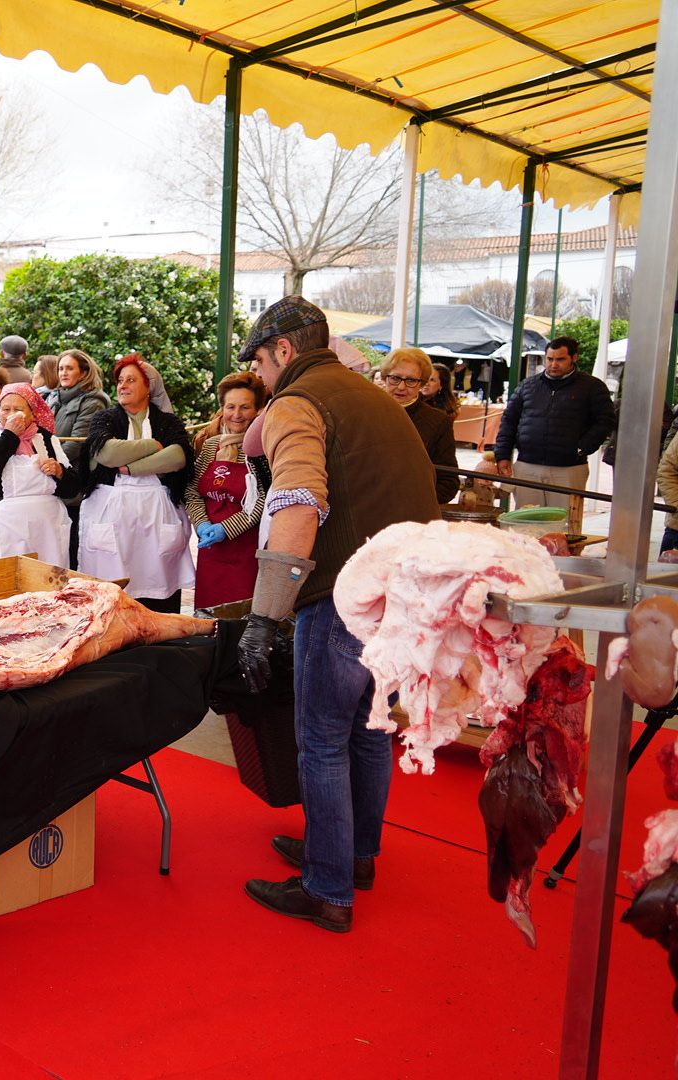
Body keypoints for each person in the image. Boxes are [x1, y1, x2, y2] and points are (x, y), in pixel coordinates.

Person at [236, 296, 440, 934]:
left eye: (261, 365)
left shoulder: (301, 400)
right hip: (402, 590)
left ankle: (327, 890)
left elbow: (298, 502)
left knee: (322, 737)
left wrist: (265, 617)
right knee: (369, 727)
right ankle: (353, 856)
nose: (260, 378)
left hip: (346, 593)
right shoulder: (371, 394)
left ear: (285, 352)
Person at [79, 354, 194, 610]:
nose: (123, 386)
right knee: (113, 594)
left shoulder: (168, 421)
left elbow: (178, 456)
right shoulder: (105, 418)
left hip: (157, 519)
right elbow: (106, 453)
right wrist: (153, 446)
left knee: (159, 591)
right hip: (113, 518)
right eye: (120, 380)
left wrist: (130, 468)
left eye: (131, 380)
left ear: (148, 387)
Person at [492, 336, 615, 512]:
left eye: (560, 359)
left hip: (569, 468)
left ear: (574, 358)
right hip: (527, 466)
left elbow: (605, 421)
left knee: (562, 526)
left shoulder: (592, 387)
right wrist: (502, 455)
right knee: (526, 523)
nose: (554, 364)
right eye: (550, 359)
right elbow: (509, 421)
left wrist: (581, 448)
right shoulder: (527, 386)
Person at [0, 382, 77, 566]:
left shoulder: (46, 439)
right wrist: (10, 436)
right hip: (7, 530)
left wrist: (59, 471)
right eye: (5, 409)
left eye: (18, 409)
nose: (11, 414)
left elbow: (73, 488)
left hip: (46, 531)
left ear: (32, 413)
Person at [185, 372, 269, 610]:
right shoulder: (211, 445)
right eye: (230, 406)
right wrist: (201, 524)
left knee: (241, 617)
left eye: (245, 407)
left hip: (247, 550)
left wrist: (227, 528)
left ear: (257, 410)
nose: (237, 414)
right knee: (209, 619)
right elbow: (192, 489)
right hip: (210, 551)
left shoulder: (261, 447)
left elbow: (263, 498)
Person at [381, 348, 459, 504]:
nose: (401, 387)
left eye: (411, 381)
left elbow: (448, 482)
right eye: (395, 378)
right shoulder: (363, 412)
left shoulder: (438, 421)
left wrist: (415, 502)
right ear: (385, 378)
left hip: (411, 515)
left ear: (421, 383)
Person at [49, 349, 111, 470]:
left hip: (74, 472)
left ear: (83, 373)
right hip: (53, 466)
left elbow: (76, 444)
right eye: (60, 369)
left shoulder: (93, 402)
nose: (64, 373)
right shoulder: (57, 398)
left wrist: (52, 462)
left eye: (69, 368)